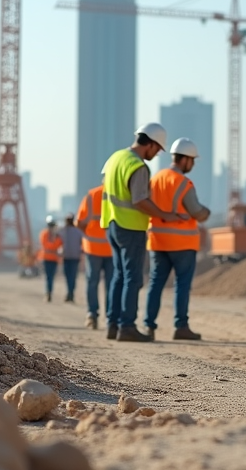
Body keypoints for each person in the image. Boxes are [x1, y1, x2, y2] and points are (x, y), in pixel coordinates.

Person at [100, 122, 181, 342]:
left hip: (112, 223)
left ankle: (112, 324)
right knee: (133, 279)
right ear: (151, 144)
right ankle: (127, 327)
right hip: (131, 227)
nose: (156, 154)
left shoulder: (115, 158)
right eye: (157, 149)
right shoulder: (138, 166)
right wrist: (165, 214)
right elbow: (139, 200)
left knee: (118, 276)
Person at [143, 138, 211, 341]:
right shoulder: (183, 182)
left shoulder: (155, 178)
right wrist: (206, 212)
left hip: (157, 240)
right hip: (182, 243)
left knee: (155, 283)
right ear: (185, 160)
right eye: (192, 160)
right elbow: (197, 211)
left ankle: (148, 326)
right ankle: (180, 326)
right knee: (182, 285)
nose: (193, 165)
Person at [77, 184, 113, 330]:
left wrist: (88, 235)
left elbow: (79, 222)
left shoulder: (92, 195)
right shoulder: (119, 193)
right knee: (111, 285)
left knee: (92, 282)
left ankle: (92, 315)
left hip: (92, 247)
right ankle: (111, 318)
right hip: (112, 248)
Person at [39, 215, 62, 302]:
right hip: (46, 258)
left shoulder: (56, 235)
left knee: (50, 277)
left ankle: (49, 292)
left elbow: (58, 244)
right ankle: (48, 292)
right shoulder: (44, 234)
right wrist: (54, 243)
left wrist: (54, 241)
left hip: (53, 259)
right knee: (49, 277)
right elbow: (47, 245)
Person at [60, 214, 83, 303]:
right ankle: (70, 293)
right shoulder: (76, 231)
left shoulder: (63, 231)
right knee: (71, 277)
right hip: (71, 257)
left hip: (72, 257)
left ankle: (70, 293)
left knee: (70, 277)